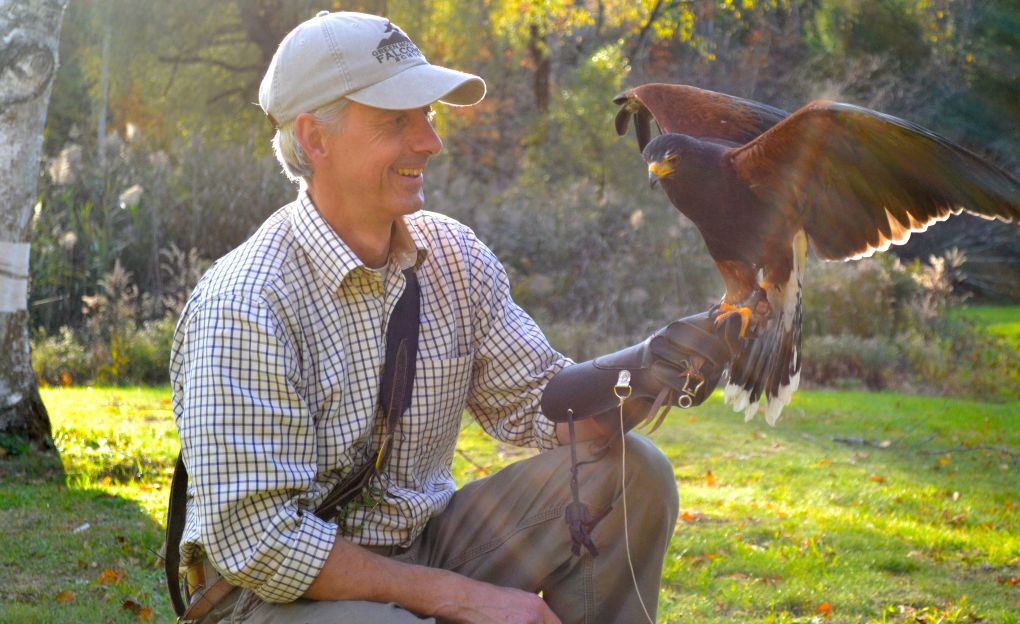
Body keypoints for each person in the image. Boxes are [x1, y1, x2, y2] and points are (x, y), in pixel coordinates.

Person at [169, 11, 730, 623]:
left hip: (426, 547)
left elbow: (540, 403)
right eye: (396, 121)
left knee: (635, 473)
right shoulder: (243, 304)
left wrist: (647, 372)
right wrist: (466, 599)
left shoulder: (453, 257)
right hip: (273, 594)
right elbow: (260, 543)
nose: (430, 141)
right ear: (315, 138)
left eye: (428, 115)